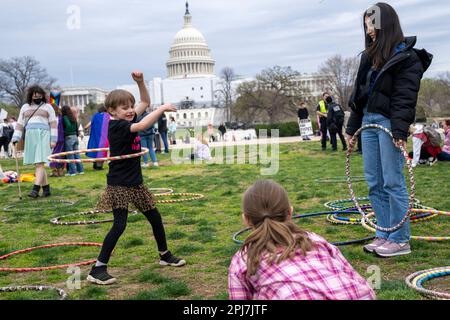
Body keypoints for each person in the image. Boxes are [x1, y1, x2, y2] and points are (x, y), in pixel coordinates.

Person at [346, 3, 433, 257]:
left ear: (386, 23)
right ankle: (384, 232)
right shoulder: (368, 57)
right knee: (374, 182)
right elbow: (358, 97)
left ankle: (400, 238)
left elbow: (404, 98)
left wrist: (399, 131)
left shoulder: (407, 57)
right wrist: (352, 129)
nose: (368, 29)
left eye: (372, 23)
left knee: (393, 181)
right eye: (365, 25)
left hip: (387, 124)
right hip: (368, 124)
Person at [87, 71, 185, 285]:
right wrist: (161, 109)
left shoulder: (126, 117)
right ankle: (97, 268)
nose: (131, 110)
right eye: (125, 108)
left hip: (135, 183)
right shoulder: (118, 125)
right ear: (112, 110)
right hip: (119, 184)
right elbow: (142, 126)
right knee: (119, 225)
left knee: (155, 217)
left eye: (131, 106)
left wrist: (140, 82)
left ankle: (164, 255)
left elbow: (145, 101)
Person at [228, 180, 376, 300]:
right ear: (290, 212)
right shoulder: (314, 240)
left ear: (246, 220)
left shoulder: (243, 259)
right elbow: (356, 280)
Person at [11, 85, 57, 198]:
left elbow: (53, 124)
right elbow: (20, 124)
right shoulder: (25, 107)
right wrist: (15, 138)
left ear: (43, 95)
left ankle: (35, 189)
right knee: (38, 163)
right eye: (34, 94)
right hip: (31, 136)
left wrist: (53, 139)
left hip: (44, 136)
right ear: (31, 95)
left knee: (40, 163)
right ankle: (46, 190)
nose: (37, 96)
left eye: (39, 94)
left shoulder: (48, 107)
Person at [85, 106, 110, 170]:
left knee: (96, 150)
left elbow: (89, 124)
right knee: (102, 151)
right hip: (104, 137)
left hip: (96, 137)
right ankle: (99, 166)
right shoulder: (107, 116)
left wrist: (85, 128)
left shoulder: (95, 116)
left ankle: (96, 164)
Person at [62, 105, 84, 176]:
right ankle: (80, 170)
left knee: (70, 155)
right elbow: (76, 127)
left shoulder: (65, 117)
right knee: (77, 154)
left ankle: (72, 172)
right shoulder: (73, 117)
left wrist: (65, 132)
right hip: (75, 137)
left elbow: (68, 126)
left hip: (69, 137)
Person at [49, 104, 65, 177]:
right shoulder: (61, 117)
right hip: (62, 137)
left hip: (55, 137)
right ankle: (60, 171)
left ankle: (55, 171)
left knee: (54, 154)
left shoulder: (51, 118)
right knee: (61, 154)